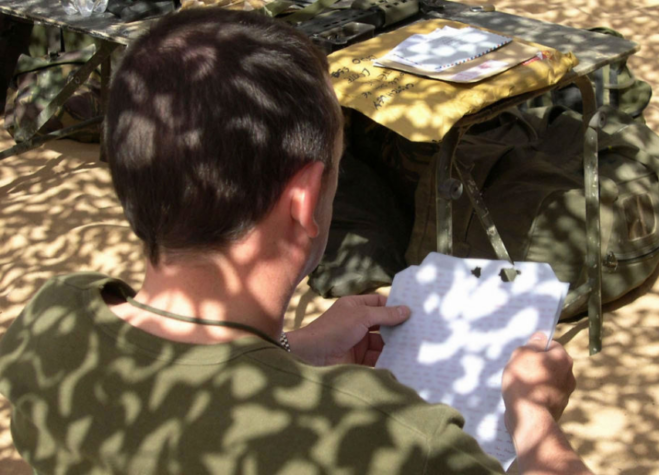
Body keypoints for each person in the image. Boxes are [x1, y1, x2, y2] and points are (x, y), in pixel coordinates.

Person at [0, 8, 592, 475]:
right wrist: (535, 419)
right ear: (304, 201)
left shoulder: (52, 322)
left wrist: (291, 347)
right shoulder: (388, 440)